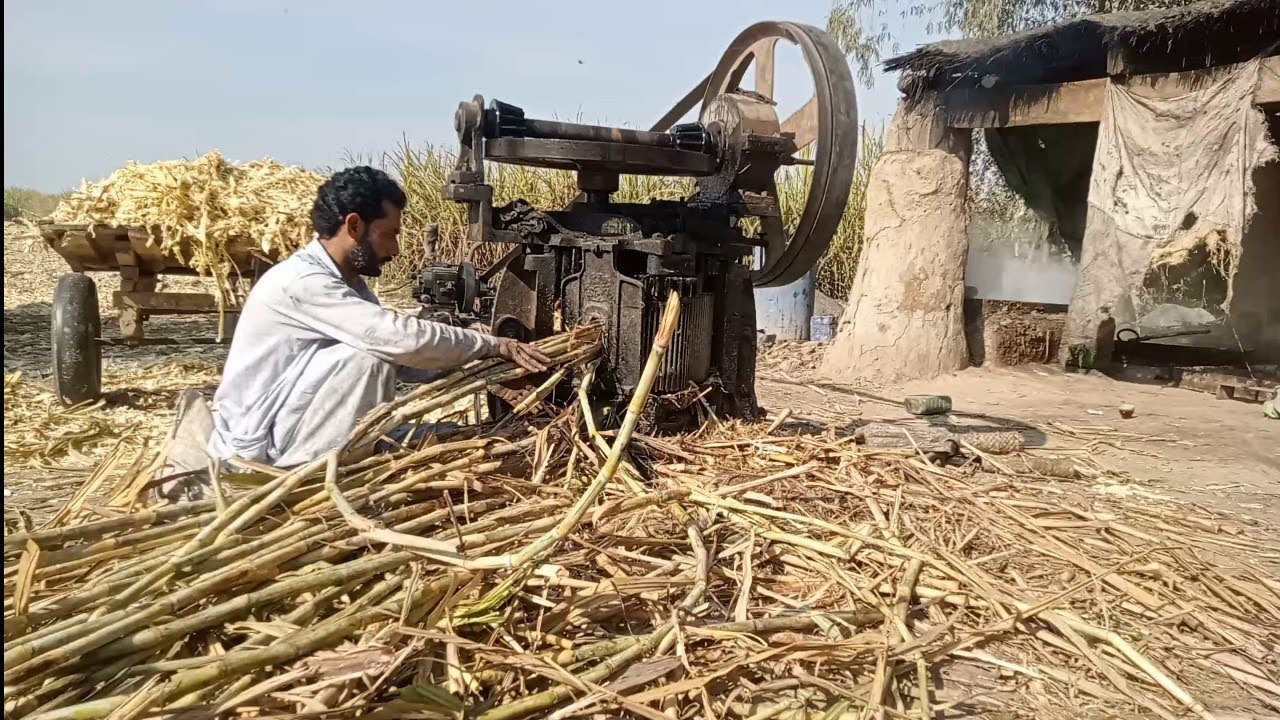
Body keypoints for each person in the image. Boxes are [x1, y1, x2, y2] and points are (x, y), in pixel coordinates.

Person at [158, 166, 546, 497]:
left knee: (432, 416)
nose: (395, 249)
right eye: (390, 234)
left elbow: (408, 364)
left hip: (285, 426)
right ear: (354, 225)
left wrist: (477, 356)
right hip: (257, 452)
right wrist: (491, 344)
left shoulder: (348, 284)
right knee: (370, 354)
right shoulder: (304, 282)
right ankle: (314, 480)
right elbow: (398, 342)